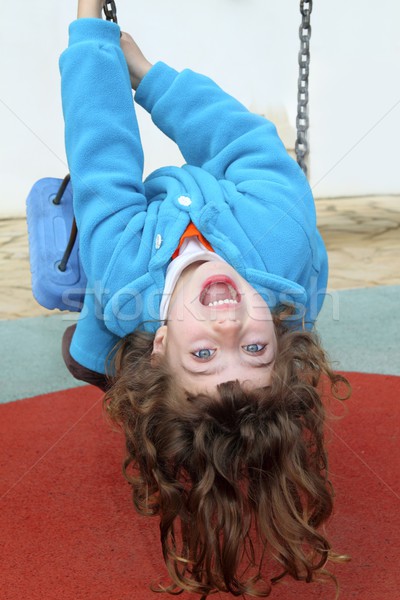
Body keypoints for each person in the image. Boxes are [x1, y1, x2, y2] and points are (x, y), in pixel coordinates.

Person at [61, 1, 349, 596]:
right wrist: (145, 72)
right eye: (253, 347)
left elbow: (101, 157)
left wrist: (92, 28)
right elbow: (237, 138)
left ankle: (105, 360)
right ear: (274, 331)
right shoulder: (279, 230)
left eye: (203, 358)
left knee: (105, 301)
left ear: (160, 344)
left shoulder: (124, 267)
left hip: (146, 259)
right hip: (245, 213)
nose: (227, 328)